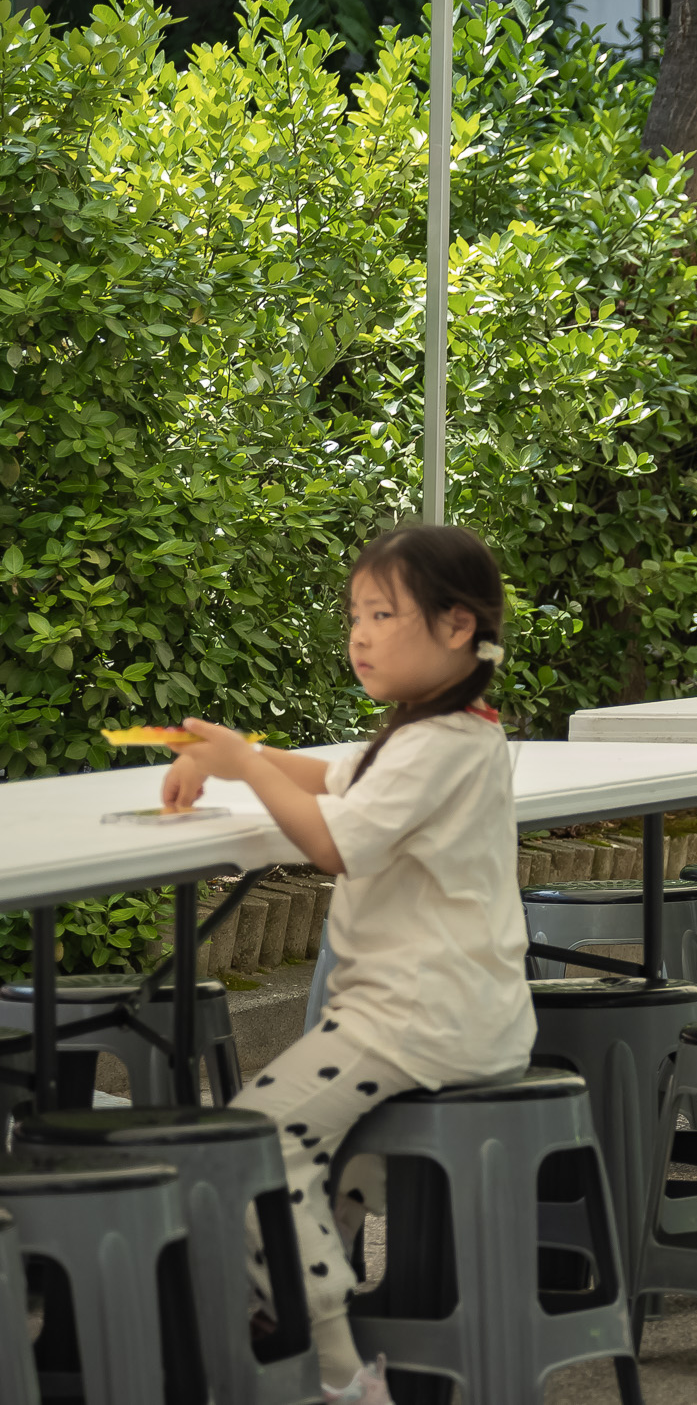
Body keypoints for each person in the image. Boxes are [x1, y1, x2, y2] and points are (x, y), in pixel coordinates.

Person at [159, 523, 535, 1402]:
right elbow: (333, 780)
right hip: (450, 1013)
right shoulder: (437, 733)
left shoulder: (438, 744)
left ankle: (331, 1360)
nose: (359, 633)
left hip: (419, 1017)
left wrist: (247, 764)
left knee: (254, 1136)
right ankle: (282, 1316)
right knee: (316, 1143)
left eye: (382, 613)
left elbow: (333, 842)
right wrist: (233, 757)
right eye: (354, 614)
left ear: (454, 627)